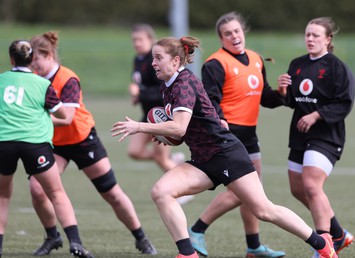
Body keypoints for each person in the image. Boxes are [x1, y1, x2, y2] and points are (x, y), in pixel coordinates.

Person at [111, 36, 338, 258]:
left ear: (175, 61)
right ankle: (187, 254)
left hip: (226, 154)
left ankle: (322, 243)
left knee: (264, 210)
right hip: (203, 159)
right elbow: (182, 134)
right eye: (152, 58)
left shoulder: (184, 83)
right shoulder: (167, 86)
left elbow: (179, 128)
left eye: (158, 58)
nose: (153, 63)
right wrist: (165, 135)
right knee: (161, 192)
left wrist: (141, 126)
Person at [28, 31, 157, 256]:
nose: (33, 65)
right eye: (30, 61)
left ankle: (141, 237)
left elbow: (66, 117)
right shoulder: (33, 79)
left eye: (36, 59)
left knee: (111, 193)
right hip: (54, 143)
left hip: (81, 139)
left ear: (48, 55)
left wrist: (32, 120)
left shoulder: (67, 78)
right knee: (38, 190)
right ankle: (52, 237)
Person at [189, 12, 285, 258]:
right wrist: (220, 122)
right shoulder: (215, 64)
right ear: (221, 38)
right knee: (241, 192)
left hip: (249, 135)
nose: (234, 36)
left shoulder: (255, 59)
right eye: (227, 33)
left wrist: (283, 94)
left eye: (236, 31)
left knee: (254, 193)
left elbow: (266, 98)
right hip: (228, 136)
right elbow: (209, 100)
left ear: (244, 32)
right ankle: (196, 230)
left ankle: (254, 247)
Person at [0, 40, 94, 258]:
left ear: (11, 59)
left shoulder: (1, 81)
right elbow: (63, 115)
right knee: (56, 193)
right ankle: (76, 244)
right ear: (32, 60)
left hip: (4, 143)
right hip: (35, 143)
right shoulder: (42, 85)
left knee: (3, 195)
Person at [277, 17, 355, 257]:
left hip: (326, 136)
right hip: (300, 136)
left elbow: (345, 101)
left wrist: (317, 115)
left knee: (311, 185)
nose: (310, 39)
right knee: (297, 189)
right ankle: (339, 234)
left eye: (316, 35)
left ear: (328, 39)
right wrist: (282, 90)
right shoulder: (297, 64)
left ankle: (325, 244)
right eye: (308, 34)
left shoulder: (336, 67)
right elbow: (292, 101)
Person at [127, 23, 193, 205]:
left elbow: (161, 89)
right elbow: (140, 84)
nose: (137, 43)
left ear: (150, 39)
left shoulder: (156, 60)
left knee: (160, 157)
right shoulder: (137, 59)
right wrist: (136, 96)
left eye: (140, 39)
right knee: (134, 151)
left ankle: (184, 189)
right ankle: (175, 161)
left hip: (163, 115)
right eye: (134, 40)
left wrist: (139, 92)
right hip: (147, 114)